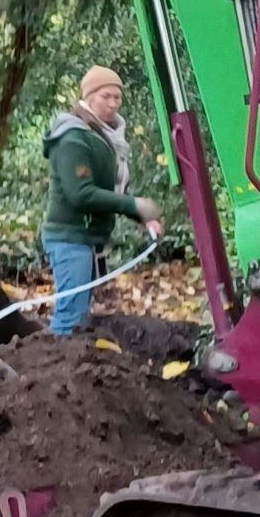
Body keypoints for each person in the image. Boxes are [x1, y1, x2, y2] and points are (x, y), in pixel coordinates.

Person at [40, 65, 163, 337]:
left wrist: (144, 218)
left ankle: (67, 358)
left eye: (117, 97)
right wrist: (133, 205)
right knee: (70, 315)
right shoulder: (73, 138)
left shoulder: (105, 137)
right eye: (105, 96)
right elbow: (81, 193)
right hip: (69, 238)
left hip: (87, 239)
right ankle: (55, 359)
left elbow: (112, 190)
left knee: (80, 314)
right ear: (88, 97)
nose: (113, 103)